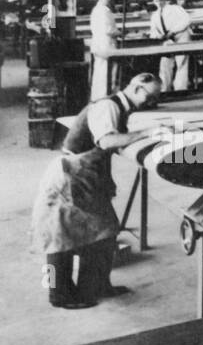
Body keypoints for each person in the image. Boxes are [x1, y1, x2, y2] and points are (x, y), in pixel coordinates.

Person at [31, 73, 162, 309]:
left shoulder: (119, 107)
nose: (152, 101)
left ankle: (95, 286)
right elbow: (107, 141)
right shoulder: (108, 106)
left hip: (84, 173)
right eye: (150, 96)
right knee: (61, 237)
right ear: (136, 88)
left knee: (103, 232)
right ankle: (58, 295)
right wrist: (147, 134)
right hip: (70, 175)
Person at [149, 0, 193, 93]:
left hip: (180, 37)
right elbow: (153, 29)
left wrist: (173, 31)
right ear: (153, 2)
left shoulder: (175, 8)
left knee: (181, 62)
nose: (159, 3)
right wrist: (157, 35)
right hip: (166, 40)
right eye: (156, 1)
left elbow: (187, 20)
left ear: (165, 0)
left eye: (161, 0)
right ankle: (165, 89)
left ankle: (180, 88)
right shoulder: (155, 15)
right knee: (165, 64)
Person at [88, 0, 119, 99]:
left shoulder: (96, 10)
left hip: (99, 45)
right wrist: (119, 32)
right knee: (107, 72)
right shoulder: (104, 11)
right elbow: (108, 29)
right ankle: (106, 96)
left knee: (100, 72)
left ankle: (98, 96)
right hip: (106, 45)